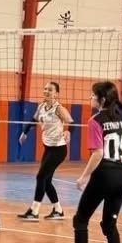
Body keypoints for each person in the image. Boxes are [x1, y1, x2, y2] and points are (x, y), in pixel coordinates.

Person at [60, 81, 122, 243]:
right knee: (109, 224)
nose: (90, 98)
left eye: (92, 95)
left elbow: (98, 153)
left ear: (102, 99)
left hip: (104, 175)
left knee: (80, 220)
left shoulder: (95, 121)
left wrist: (84, 177)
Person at [17, 82, 72, 221]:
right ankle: (58, 210)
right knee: (46, 181)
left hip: (59, 149)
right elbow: (33, 120)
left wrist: (68, 131)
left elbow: (72, 122)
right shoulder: (41, 107)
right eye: (45, 89)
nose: (46, 91)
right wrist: (25, 132)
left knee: (41, 177)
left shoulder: (59, 109)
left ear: (56, 94)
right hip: (48, 147)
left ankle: (34, 211)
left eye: (50, 89)